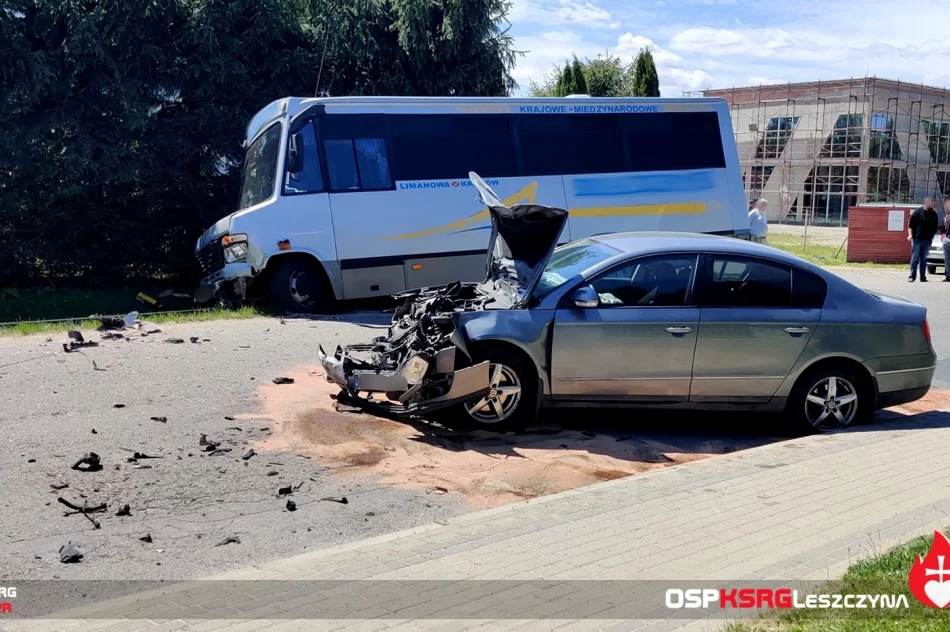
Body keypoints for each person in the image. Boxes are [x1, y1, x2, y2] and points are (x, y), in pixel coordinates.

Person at [908, 196, 939, 282]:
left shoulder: (934, 214)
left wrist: (931, 238)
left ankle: (922, 277)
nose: (933, 204)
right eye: (931, 203)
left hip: (927, 240)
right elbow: (910, 225)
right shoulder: (917, 212)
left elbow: (935, 228)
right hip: (917, 239)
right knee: (915, 258)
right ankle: (911, 276)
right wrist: (910, 235)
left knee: (924, 259)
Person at [941, 199, 950, 282]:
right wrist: (942, 235)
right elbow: (943, 227)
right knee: (947, 258)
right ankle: (948, 276)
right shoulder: (946, 216)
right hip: (947, 239)